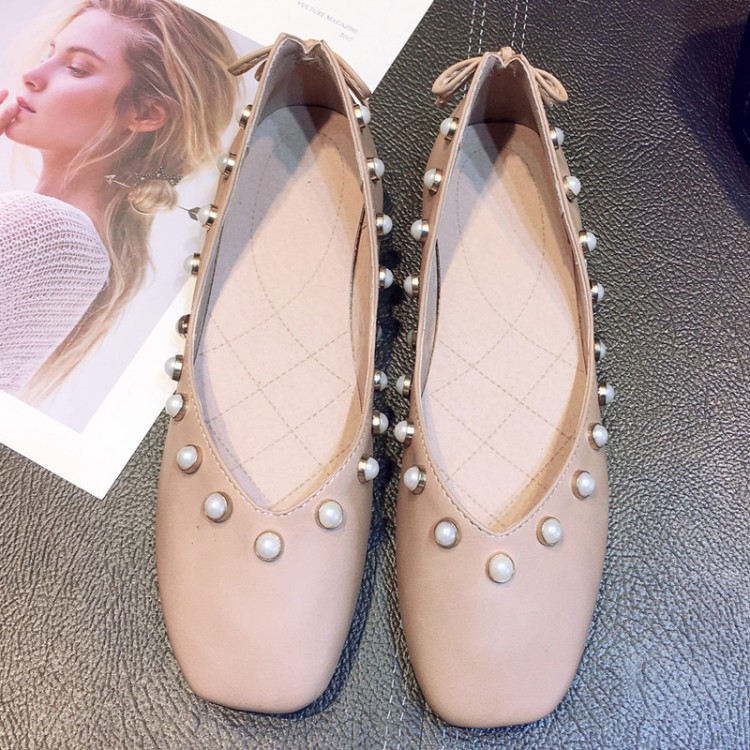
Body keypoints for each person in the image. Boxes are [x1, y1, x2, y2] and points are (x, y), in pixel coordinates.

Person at [0, 0, 239, 403]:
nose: (32, 75)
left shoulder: (42, 226)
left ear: (146, 113)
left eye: (77, 68)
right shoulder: (81, 244)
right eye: (48, 55)